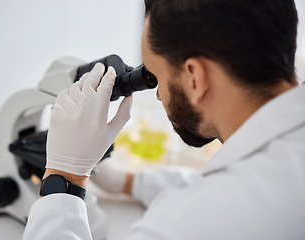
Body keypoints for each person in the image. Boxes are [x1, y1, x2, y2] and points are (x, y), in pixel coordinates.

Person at [23, 0, 305, 239]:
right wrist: (127, 181)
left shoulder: (184, 226)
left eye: (158, 76)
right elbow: (213, 183)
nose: (158, 95)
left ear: (195, 77)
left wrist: (64, 177)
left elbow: (209, 205)